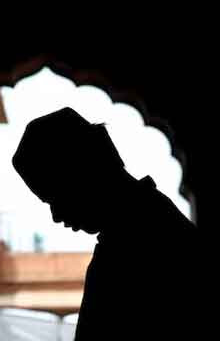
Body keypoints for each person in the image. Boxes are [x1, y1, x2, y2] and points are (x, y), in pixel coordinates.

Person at [12, 107, 201, 340]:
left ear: (84, 171)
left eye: (55, 197)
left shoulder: (140, 243)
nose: (56, 215)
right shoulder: (150, 225)